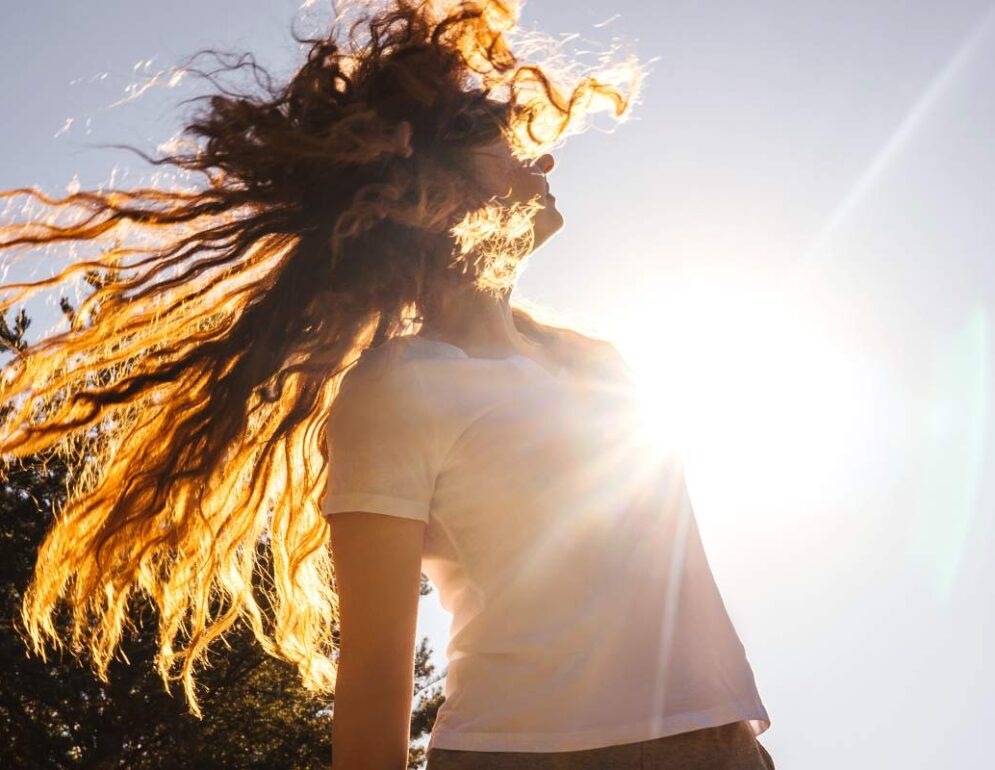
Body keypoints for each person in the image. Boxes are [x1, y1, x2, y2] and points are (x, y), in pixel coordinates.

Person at [1, 1, 774, 767]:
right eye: (501, 144)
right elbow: (373, 675)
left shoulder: (594, 359)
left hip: (721, 742)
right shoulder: (396, 388)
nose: (539, 159)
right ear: (425, 191)